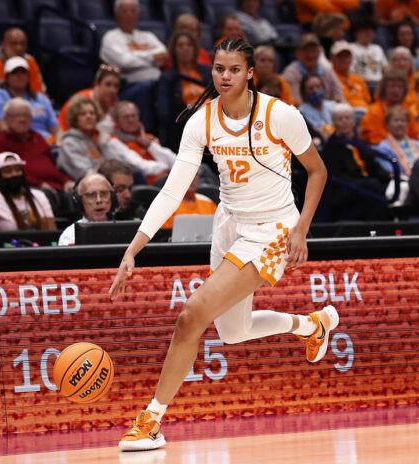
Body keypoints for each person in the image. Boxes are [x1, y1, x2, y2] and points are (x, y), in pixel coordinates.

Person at [109, 38, 334, 452]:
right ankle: (312, 325)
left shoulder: (280, 114)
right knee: (233, 332)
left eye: (233, 69)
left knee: (191, 316)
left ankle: (151, 421)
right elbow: (173, 189)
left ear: (251, 73)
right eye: (218, 68)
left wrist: (301, 230)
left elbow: (318, 172)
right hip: (229, 223)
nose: (224, 76)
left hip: (272, 229)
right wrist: (133, 248)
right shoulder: (202, 120)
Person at [58, 96, 166, 181]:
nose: (89, 116)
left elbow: (114, 163)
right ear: (74, 118)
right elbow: (83, 173)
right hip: (86, 185)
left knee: (136, 176)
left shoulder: (99, 139)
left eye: (92, 113)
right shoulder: (69, 142)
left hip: (106, 181)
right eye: (83, 114)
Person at [322, 103, 391, 220]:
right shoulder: (331, 147)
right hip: (345, 190)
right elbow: (336, 175)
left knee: (389, 185)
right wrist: (363, 182)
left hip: (365, 185)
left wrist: (390, 176)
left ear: (353, 121)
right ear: (334, 123)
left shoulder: (358, 143)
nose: (344, 122)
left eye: (347, 118)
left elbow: (373, 165)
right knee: (372, 185)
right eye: (340, 119)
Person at [0, 98, 73, 193]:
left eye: (26, 115)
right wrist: (38, 184)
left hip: (57, 186)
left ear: (31, 118)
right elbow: (9, 175)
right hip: (30, 190)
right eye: (16, 115)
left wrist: (66, 181)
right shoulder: (0, 142)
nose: (22, 119)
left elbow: (52, 167)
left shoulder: (37, 137)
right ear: (6, 119)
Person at [157, 32, 212, 151]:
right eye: (180, 45)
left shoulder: (209, 72)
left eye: (189, 45)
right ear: (174, 51)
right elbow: (164, 112)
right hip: (186, 124)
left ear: (195, 49)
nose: (185, 48)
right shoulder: (168, 78)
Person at [0, 57, 61, 145]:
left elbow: (57, 129)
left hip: (48, 143)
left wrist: (58, 144)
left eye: (23, 72)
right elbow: (4, 130)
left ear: (28, 76)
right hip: (19, 144)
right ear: (7, 77)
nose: (19, 76)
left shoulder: (40, 98)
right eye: (14, 72)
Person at [100, 0, 168, 85]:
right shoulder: (110, 37)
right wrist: (152, 58)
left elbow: (163, 54)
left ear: (137, 15)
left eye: (133, 11)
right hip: (127, 85)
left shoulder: (148, 36)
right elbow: (125, 62)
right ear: (117, 15)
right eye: (125, 11)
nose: (129, 15)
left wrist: (135, 56)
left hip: (157, 81)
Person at [112, 101, 176, 184]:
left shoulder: (149, 138)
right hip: (145, 187)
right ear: (117, 121)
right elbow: (141, 167)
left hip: (168, 181)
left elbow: (174, 161)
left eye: (133, 116)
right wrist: (167, 166)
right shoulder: (114, 141)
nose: (131, 120)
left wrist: (149, 145)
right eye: (126, 117)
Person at [0, 152, 56, 231]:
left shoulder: (39, 196)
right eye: (8, 171)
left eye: (18, 169)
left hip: (42, 243)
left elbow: (52, 231)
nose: (14, 174)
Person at [58, 64, 122, 139]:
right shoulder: (79, 102)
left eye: (116, 86)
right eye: (108, 85)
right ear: (97, 84)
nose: (112, 90)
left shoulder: (116, 104)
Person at [282, 33, 345, 106]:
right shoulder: (291, 73)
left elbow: (340, 98)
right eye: (306, 51)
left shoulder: (327, 71)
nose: (310, 55)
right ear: (297, 53)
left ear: (319, 52)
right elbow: (295, 103)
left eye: (313, 50)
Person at [58, 173, 116, 246]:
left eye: (104, 193)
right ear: (79, 201)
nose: (99, 200)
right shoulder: (70, 236)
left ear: (112, 197)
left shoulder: (124, 231)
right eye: (91, 195)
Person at [0, 28, 46, 96]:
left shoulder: (30, 60)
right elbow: (6, 94)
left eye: (23, 43)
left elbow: (40, 91)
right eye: (13, 43)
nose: (19, 48)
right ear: (3, 45)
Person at [361, 70, 412, 144]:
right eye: (392, 86)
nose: (396, 90)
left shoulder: (408, 110)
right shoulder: (374, 111)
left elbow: (415, 135)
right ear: (384, 89)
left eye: (400, 86)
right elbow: (375, 138)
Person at [375, 104, 419, 177]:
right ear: (387, 125)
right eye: (396, 120)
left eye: (403, 120)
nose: (400, 124)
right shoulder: (383, 148)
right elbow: (390, 172)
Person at [330, 41, 372, 113]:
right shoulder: (330, 77)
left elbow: (368, 101)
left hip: (366, 113)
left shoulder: (358, 78)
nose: (344, 60)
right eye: (340, 56)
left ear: (351, 59)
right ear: (332, 59)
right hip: (345, 115)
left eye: (346, 56)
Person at [349, 17, 388, 90]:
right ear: (356, 33)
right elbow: (350, 72)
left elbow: (385, 69)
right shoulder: (350, 48)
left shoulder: (377, 48)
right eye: (365, 31)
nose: (369, 33)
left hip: (379, 83)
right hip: (361, 83)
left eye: (372, 31)